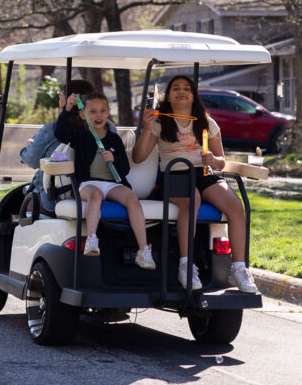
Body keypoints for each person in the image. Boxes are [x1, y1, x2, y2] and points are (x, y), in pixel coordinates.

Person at [132, 75, 258, 293]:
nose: (182, 92)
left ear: (194, 95)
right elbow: (138, 157)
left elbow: (221, 160)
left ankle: (238, 268)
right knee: (192, 201)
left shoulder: (207, 122)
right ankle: (186, 265)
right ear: (168, 97)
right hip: (175, 175)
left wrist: (214, 160)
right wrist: (146, 128)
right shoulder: (161, 123)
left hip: (204, 174)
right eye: (176, 88)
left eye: (187, 88)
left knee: (236, 207)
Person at [54, 91, 155, 269]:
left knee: (132, 198)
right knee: (96, 195)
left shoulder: (114, 139)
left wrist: (114, 159)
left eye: (102, 111)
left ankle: (143, 251)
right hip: (88, 183)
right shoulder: (81, 136)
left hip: (113, 184)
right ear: (83, 115)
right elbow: (60, 133)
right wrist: (66, 109)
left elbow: (125, 169)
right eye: (92, 112)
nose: (98, 115)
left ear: (108, 114)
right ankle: (92, 239)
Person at [19, 79, 97, 213]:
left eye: (61, 93)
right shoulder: (103, 129)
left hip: (55, 198)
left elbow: (31, 160)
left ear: (67, 99)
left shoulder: (52, 130)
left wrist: (24, 151)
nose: (59, 96)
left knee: (26, 204)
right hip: (95, 189)